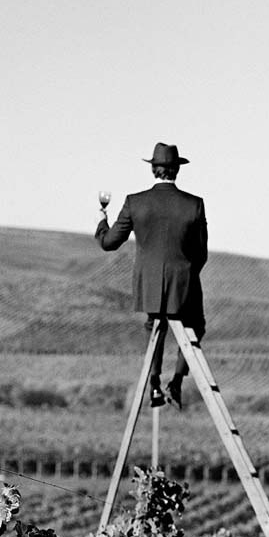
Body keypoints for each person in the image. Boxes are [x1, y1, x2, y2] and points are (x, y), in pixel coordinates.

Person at [96, 143, 208, 409]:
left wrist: (102, 220)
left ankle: (154, 383)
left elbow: (109, 242)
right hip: (184, 282)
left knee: (154, 325)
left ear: (154, 170)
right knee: (195, 326)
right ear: (177, 170)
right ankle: (177, 381)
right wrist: (188, 277)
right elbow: (201, 252)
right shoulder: (195, 205)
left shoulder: (135, 202)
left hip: (149, 284)